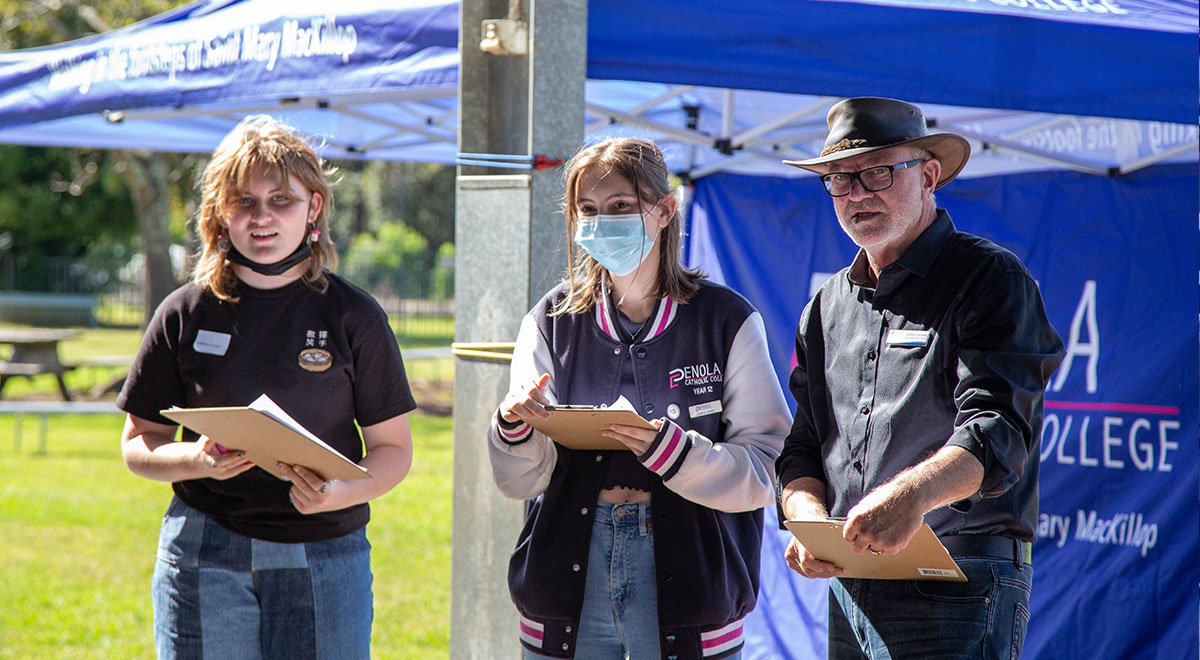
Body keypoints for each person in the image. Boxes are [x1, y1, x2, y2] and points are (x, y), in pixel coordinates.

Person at [775, 97, 1066, 659]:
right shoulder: (825, 305)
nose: (857, 193)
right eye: (839, 179)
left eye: (877, 172)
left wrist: (909, 498)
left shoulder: (989, 278)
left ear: (929, 175)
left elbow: (998, 431)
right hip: (849, 585)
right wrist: (806, 518)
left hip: (959, 582)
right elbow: (803, 447)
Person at [117, 115, 416, 660]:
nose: (262, 218)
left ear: (314, 208)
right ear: (218, 213)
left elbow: (394, 450)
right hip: (203, 548)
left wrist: (341, 493)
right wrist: (195, 458)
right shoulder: (182, 313)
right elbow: (138, 444)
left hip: (325, 551)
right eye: (244, 201)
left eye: (281, 200)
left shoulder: (354, 315)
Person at [488, 137, 792, 660]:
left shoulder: (726, 319)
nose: (602, 223)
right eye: (588, 210)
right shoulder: (551, 320)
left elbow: (769, 468)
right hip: (567, 583)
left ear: (666, 210)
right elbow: (521, 481)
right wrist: (513, 427)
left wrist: (674, 453)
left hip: (693, 585)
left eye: (622, 207)